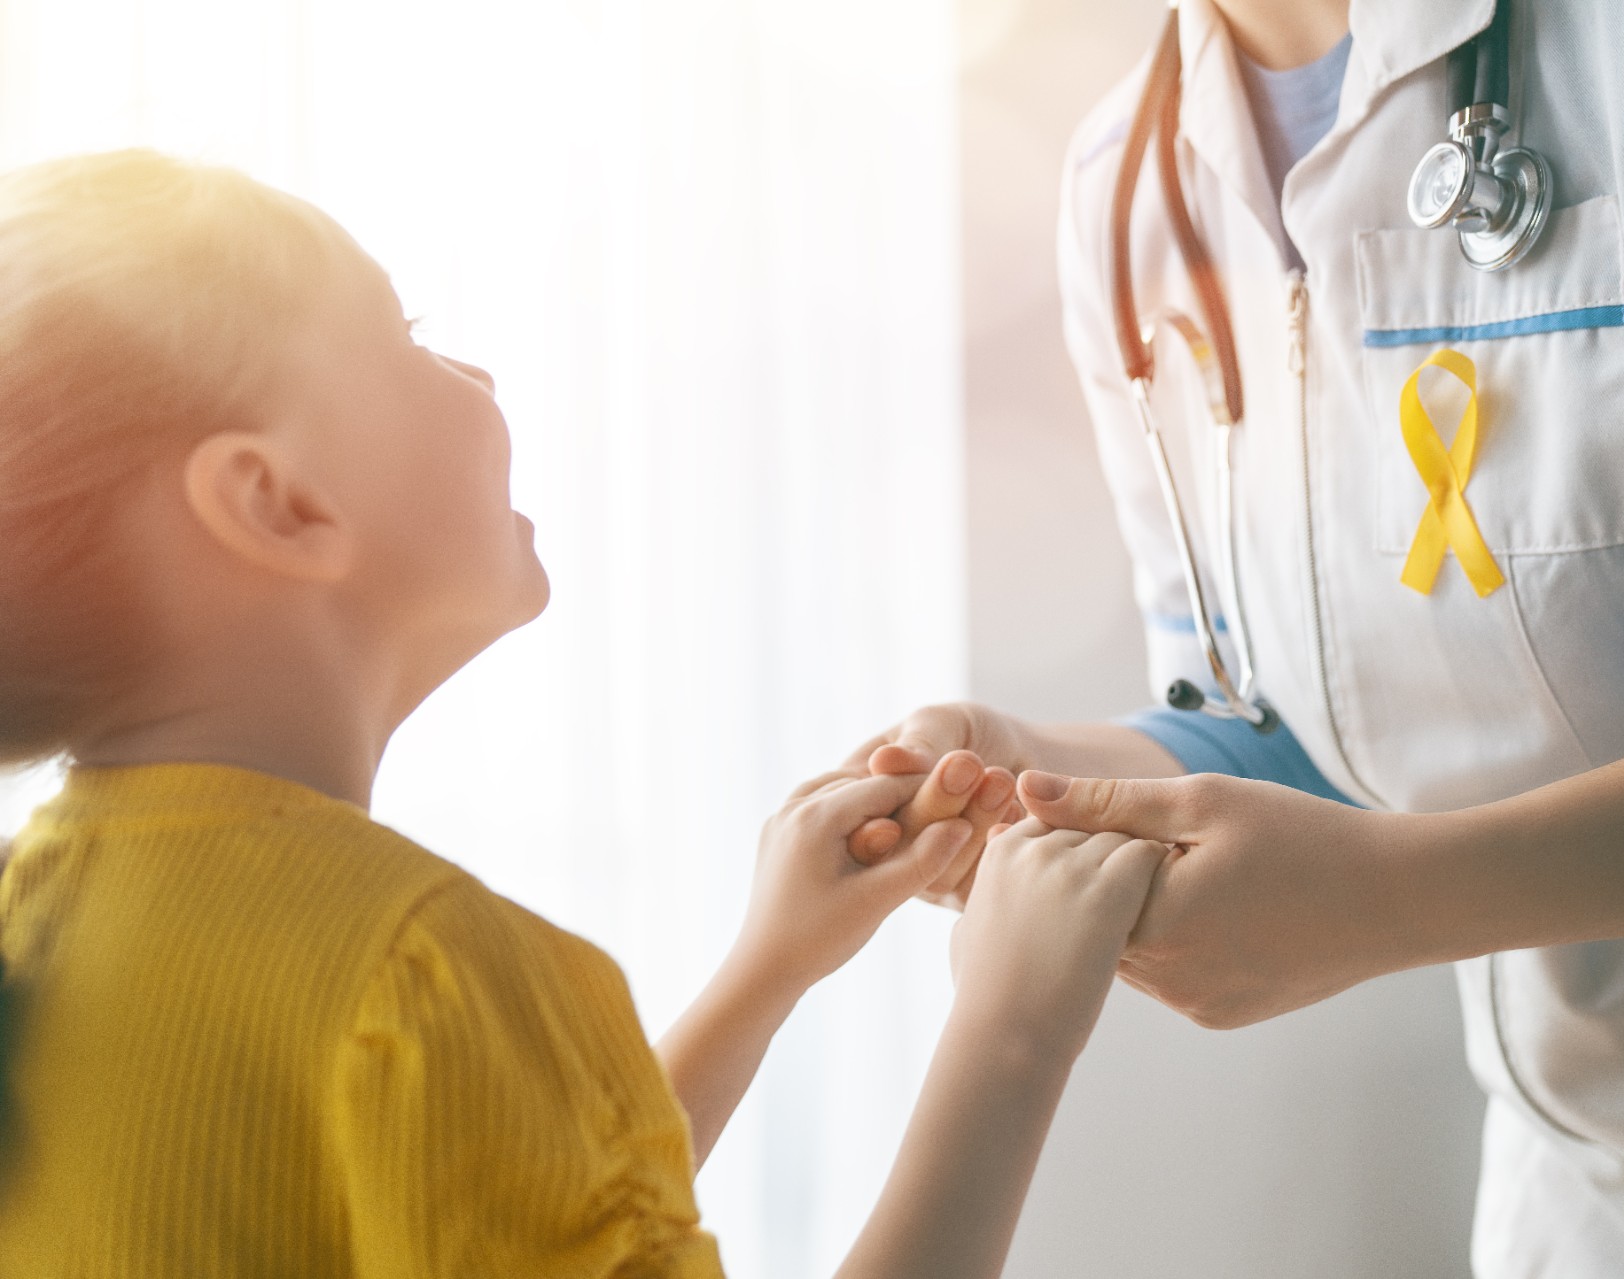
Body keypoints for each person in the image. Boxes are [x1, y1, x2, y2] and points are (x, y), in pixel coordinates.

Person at [843, 0, 1624, 1274]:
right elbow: (1305, 721)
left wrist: (1393, 900)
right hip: (1575, 1196)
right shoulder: (1123, 188)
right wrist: (1033, 775)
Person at [0, 149, 1173, 1278]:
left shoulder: (37, 927)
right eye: (406, 339)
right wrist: (1011, 1026)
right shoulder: (423, 974)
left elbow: (506, 1209)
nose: (483, 378)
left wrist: (769, 968)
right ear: (276, 500)